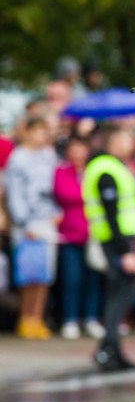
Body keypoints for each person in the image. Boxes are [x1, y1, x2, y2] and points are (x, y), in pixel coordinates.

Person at [82, 125, 135, 369]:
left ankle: (112, 350)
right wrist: (125, 252)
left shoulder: (114, 166)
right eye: (124, 137)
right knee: (120, 295)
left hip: (121, 239)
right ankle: (107, 349)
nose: (130, 142)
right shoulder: (105, 169)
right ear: (112, 141)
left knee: (120, 295)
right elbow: (111, 215)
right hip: (116, 241)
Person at [6, 116, 60, 340]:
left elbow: (56, 186)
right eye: (37, 130)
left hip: (48, 220)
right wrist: (24, 221)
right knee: (28, 274)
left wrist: (57, 212)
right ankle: (25, 318)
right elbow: (14, 193)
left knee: (45, 274)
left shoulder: (49, 155)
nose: (42, 135)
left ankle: (37, 317)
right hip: (28, 222)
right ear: (27, 131)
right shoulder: (18, 158)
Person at [54, 134, 104, 340]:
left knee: (93, 279)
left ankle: (91, 318)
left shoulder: (93, 170)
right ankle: (70, 319)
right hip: (69, 235)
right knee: (72, 279)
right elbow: (65, 193)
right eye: (73, 149)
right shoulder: (61, 171)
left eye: (80, 148)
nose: (77, 153)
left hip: (93, 233)